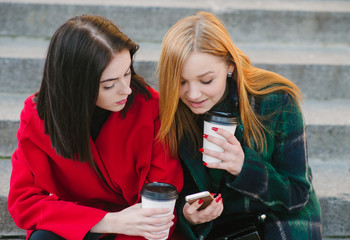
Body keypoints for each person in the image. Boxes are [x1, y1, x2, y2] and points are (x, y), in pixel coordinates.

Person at [8, 15, 183, 240]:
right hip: (78, 224)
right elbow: (24, 202)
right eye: (109, 84)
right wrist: (107, 221)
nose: (126, 90)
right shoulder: (38, 117)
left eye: (127, 73)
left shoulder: (150, 108)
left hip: (136, 229)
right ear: (75, 86)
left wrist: (122, 224)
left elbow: (162, 200)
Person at [157, 11, 322, 240]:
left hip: (277, 219)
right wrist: (188, 216)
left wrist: (244, 166)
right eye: (180, 82)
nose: (193, 94)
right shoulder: (170, 110)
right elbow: (169, 192)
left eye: (206, 81)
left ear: (229, 66)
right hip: (218, 230)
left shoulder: (275, 101)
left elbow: (297, 195)